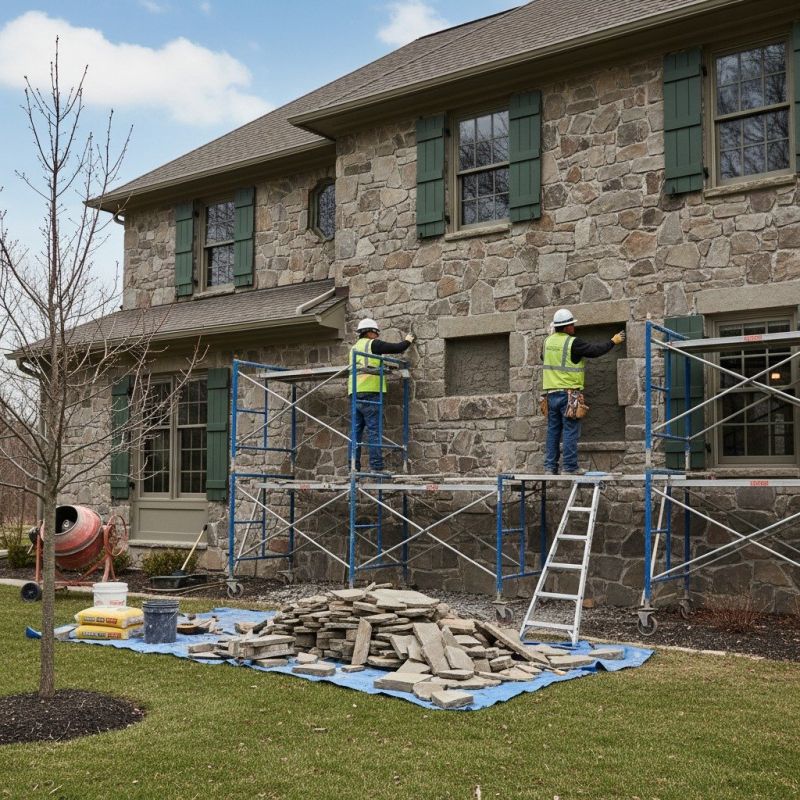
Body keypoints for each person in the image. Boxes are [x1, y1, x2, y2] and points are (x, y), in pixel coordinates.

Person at [542, 308, 625, 475]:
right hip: (569, 394)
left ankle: (550, 467)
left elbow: (544, 358)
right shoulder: (572, 342)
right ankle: (569, 467)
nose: (574, 327)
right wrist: (612, 341)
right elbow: (594, 351)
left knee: (553, 431)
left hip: (551, 395)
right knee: (570, 430)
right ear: (566, 327)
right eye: (572, 325)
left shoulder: (547, 342)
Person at [348, 318, 415, 473]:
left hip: (354, 393)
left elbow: (367, 365)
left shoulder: (354, 348)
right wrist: (408, 340)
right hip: (371, 392)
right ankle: (376, 467)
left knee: (355, 433)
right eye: (376, 333)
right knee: (373, 431)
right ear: (370, 332)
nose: (377, 336)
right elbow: (397, 348)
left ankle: (353, 468)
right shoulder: (373, 344)